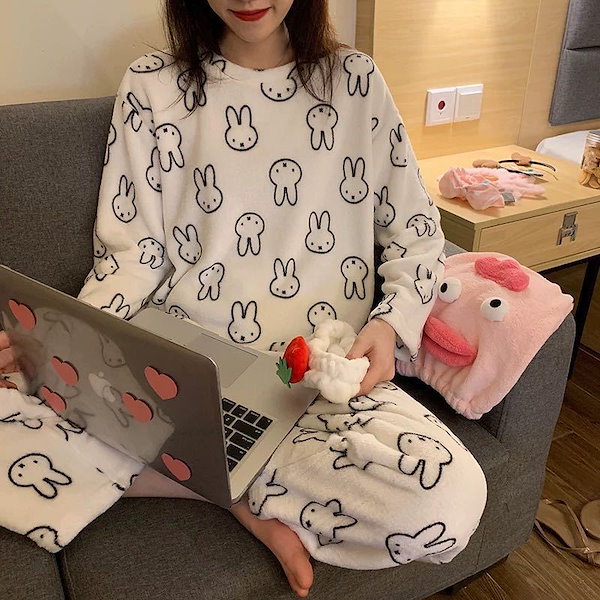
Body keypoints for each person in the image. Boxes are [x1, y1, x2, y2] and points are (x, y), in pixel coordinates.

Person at [0, 1, 487, 597]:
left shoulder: (355, 82)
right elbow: (132, 257)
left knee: (450, 501)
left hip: (316, 381)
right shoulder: (152, 86)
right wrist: (55, 344)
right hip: (176, 369)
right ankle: (238, 492)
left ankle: (207, 471)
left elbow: (417, 234)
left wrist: (389, 325)